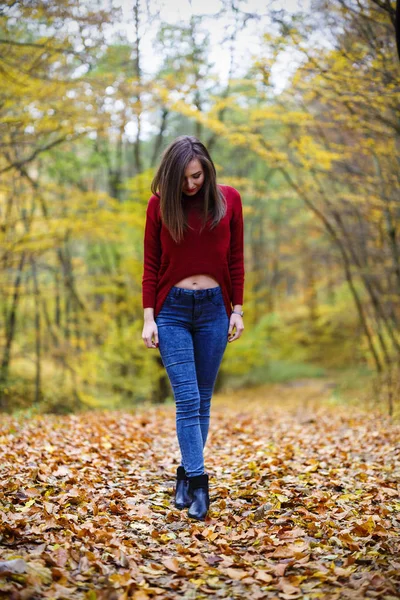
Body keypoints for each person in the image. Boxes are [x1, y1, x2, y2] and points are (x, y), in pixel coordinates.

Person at [141, 135, 245, 521]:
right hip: (172, 311)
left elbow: (236, 257)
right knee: (186, 400)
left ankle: (184, 474)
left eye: (197, 176)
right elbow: (151, 264)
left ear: (207, 170)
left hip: (215, 310)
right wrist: (148, 318)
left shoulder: (229, 199)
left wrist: (238, 309)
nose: (191, 185)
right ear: (171, 177)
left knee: (202, 399)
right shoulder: (159, 206)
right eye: (183, 179)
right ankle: (200, 485)